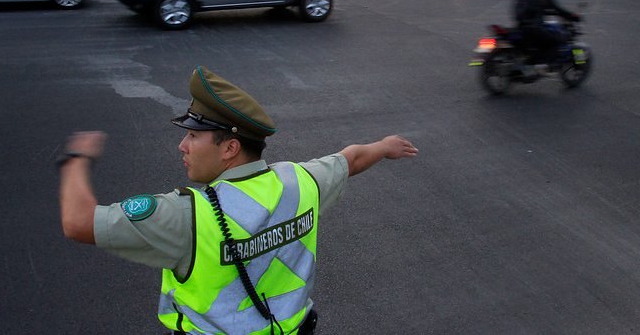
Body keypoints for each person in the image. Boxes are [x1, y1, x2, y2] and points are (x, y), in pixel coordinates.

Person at [57, 65, 418, 335]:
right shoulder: (301, 181)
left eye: (194, 137)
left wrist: (76, 157)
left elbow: (78, 222)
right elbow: (351, 159)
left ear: (230, 147)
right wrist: (384, 147)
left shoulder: (187, 215)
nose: (182, 147)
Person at [513, 0, 581, 69]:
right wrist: (572, 16)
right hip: (534, 29)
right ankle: (547, 65)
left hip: (521, 28)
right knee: (558, 38)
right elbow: (556, 9)